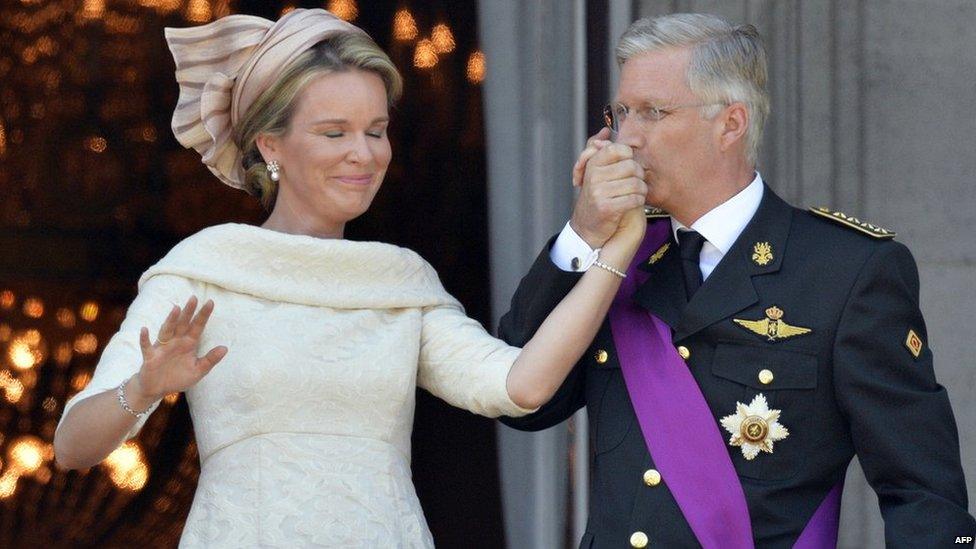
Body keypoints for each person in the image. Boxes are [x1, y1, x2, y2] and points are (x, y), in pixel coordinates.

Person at [52, 9, 647, 547]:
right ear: (270, 145)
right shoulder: (204, 270)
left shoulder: (401, 281)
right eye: (334, 133)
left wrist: (611, 251)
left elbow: (520, 386)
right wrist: (147, 387)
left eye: (376, 130)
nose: (363, 154)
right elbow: (73, 447)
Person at [499, 12, 975, 549]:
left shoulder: (845, 271)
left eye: (654, 113)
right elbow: (519, 398)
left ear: (731, 124)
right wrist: (582, 234)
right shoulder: (615, 253)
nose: (626, 138)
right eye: (622, 112)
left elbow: (924, 495)